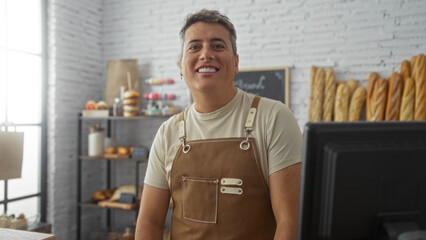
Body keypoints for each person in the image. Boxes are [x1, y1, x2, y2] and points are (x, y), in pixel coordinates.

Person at [135, 9, 302, 240]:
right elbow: (149, 222)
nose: (206, 54)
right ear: (181, 67)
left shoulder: (273, 118)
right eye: (194, 47)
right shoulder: (168, 132)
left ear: (235, 63)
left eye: (218, 46)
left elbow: (290, 222)